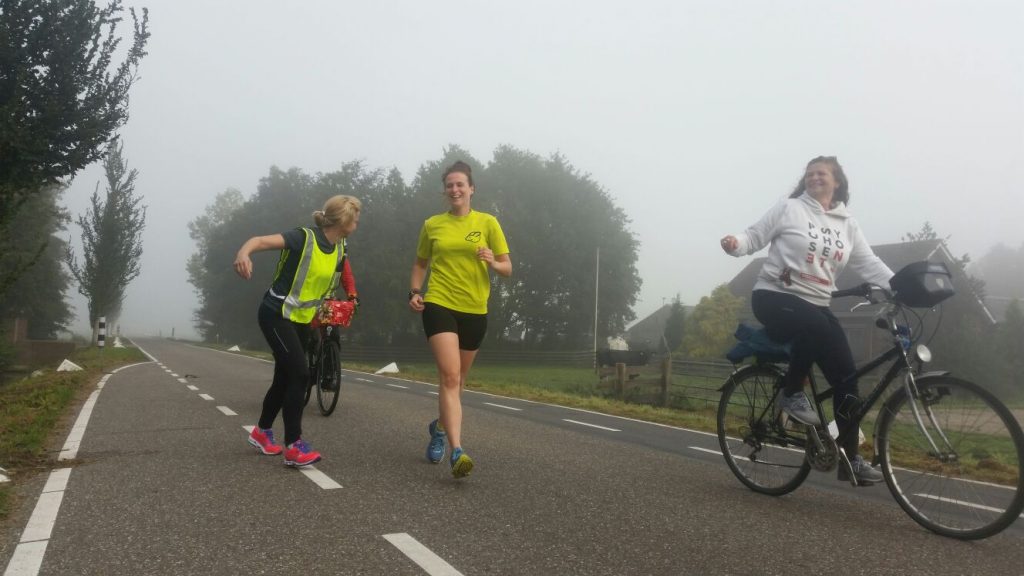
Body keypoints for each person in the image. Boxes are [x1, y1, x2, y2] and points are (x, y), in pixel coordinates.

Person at [720, 156, 892, 485]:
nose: (814, 178)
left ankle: (850, 459)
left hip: (816, 304)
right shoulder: (789, 209)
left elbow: (869, 262)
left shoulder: (847, 223)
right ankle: (791, 392)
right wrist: (734, 244)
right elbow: (754, 237)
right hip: (774, 297)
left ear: (837, 181)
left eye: (821, 173)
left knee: (847, 380)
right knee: (813, 324)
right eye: (810, 174)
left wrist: (898, 287)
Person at [234, 195, 361, 467]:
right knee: (301, 374)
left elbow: (338, 276)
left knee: (284, 377)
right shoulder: (303, 238)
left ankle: (262, 432)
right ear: (343, 220)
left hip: (303, 319)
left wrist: (347, 298)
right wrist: (243, 254)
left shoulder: (340, 247)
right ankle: (294, 445)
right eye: (355, 216)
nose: (358, 221)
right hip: (276, 314)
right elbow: (259, 241)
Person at [408, 161, 511, 478]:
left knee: (459, 382)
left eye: (460, 185)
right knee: (450, 377)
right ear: (445, 190)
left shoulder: (488, 223)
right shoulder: (432, 225)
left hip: (475, 309)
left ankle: (439, 428)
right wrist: (414, 291)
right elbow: (420, 264)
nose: (455, 190)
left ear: (471, 189)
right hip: (439, 302)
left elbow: (508, 268)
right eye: (449, 185)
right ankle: (457, 450)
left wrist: (493, 261)